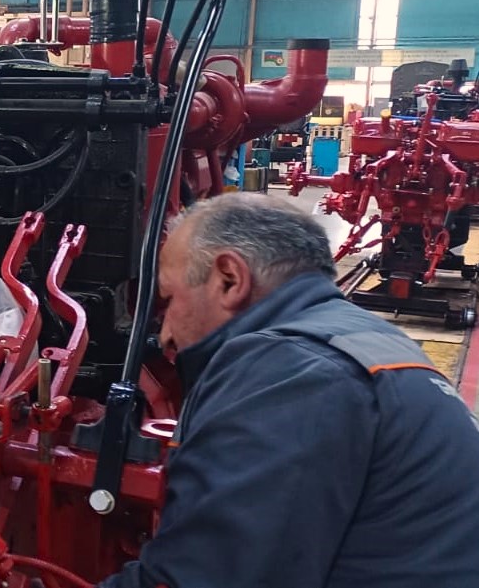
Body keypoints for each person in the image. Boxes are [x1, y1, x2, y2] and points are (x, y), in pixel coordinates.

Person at [101, 192, 479, 588]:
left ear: (229, 279)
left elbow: (201, 577)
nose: (164, 335)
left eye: (168, 301)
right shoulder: (365, 339)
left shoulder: (288, 374)